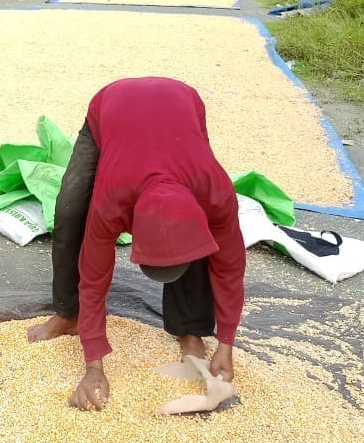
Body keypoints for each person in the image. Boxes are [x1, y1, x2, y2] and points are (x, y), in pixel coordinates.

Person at [26, 77, 245, 411]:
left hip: (183, 105)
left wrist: (226, 345)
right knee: (70, 210)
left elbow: (229, 268)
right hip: (110, 108)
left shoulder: (215, 192)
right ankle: (69, 314)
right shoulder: (111, 201)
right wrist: (93, 368)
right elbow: (94, 275)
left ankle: (189, 328)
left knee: (199, 239)